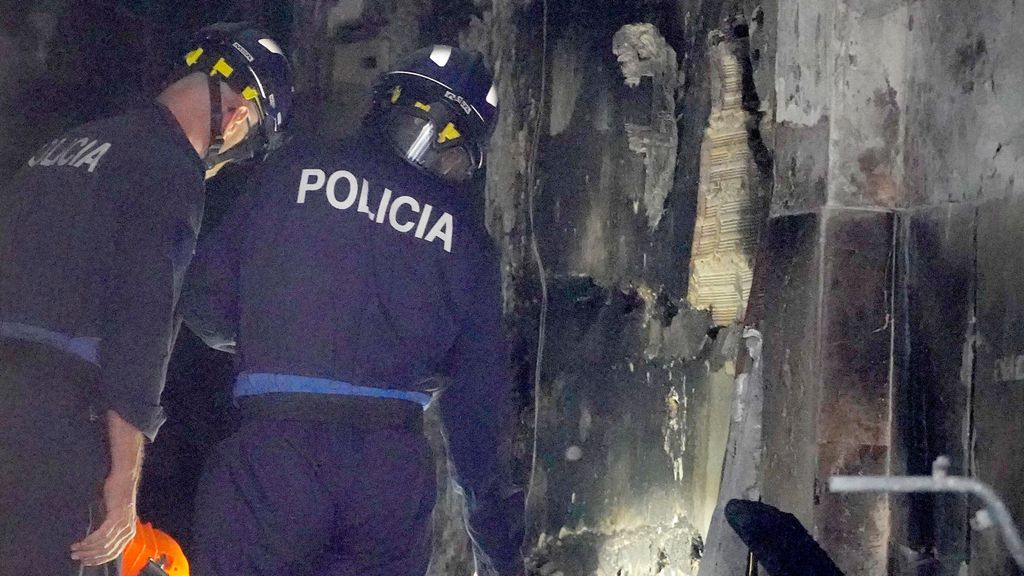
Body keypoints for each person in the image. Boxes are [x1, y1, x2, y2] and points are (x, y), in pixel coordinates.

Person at [181, 44, 525, 576]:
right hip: (388, 477)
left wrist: (281, 337)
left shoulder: (293, 167)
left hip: (274, 452)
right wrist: (499, 553)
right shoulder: (467, 237)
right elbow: (476, 405)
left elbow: (204, 304)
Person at [0, 22, 293, 575]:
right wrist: (122, 484)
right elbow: (142, 327)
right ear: (237, 116)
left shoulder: (69, 145)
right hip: (54, 428)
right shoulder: (168, 168)